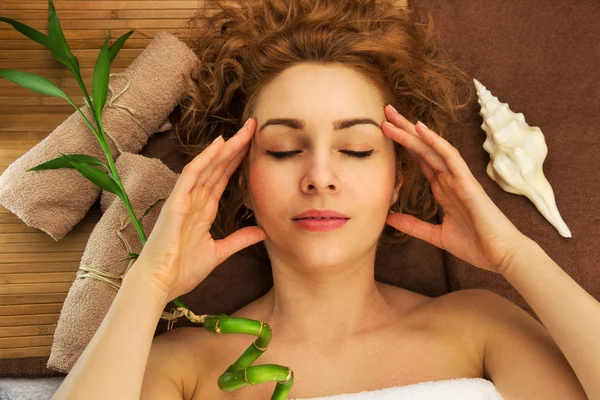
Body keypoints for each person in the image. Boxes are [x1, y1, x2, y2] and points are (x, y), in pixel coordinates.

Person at [51, 0, 599, 399]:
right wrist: (150, 280)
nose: (319, 176)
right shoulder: (185, 368)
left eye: (357, 149)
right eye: (285, 150)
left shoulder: (479, 327)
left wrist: (513, 255)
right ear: (239, 180)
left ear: (398, 178)